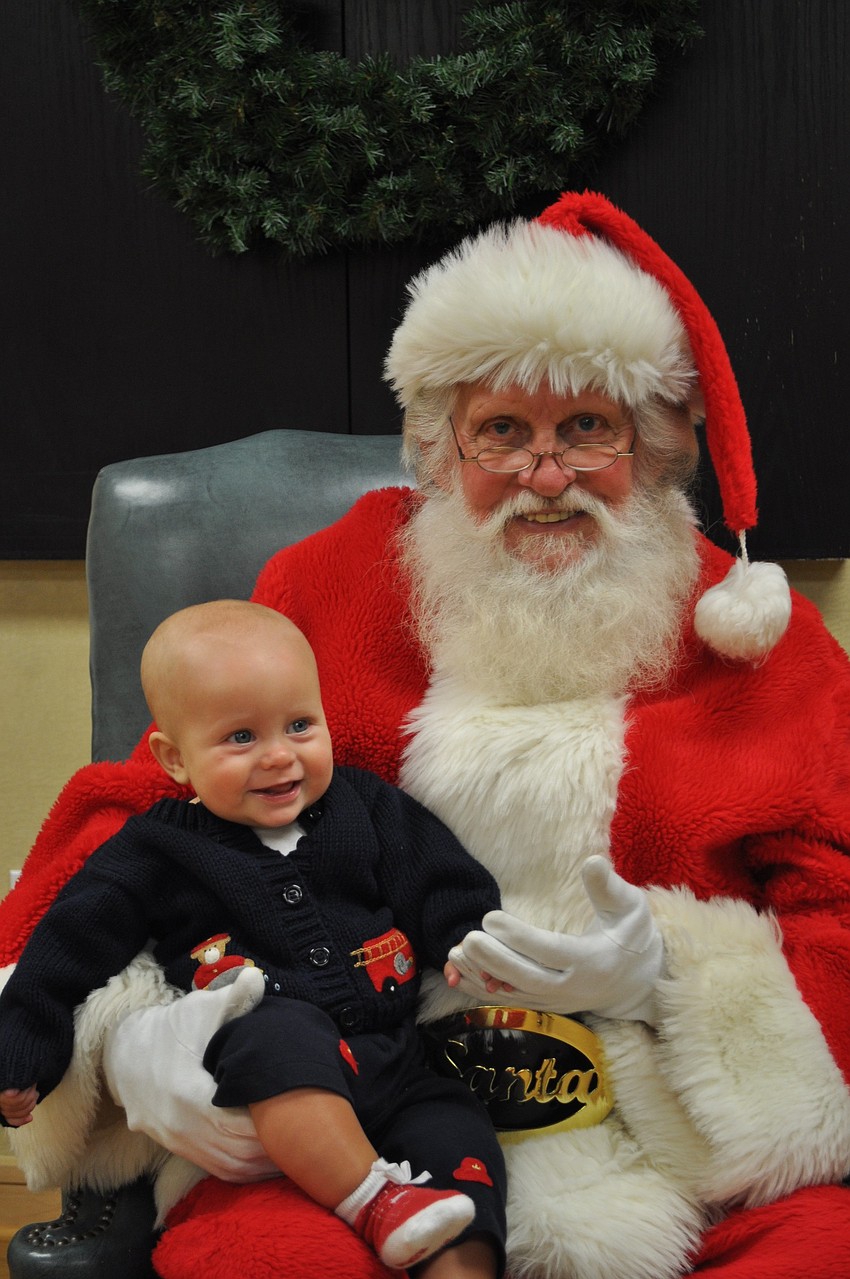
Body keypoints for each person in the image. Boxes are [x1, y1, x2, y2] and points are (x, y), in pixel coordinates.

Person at [3, 190, 850, 1279]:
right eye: (503, 430)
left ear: (651, 445)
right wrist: (127, 1037)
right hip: (345, 1100)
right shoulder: (328, 581)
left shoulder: (762, 640)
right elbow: (149, 804)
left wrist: (670, 981)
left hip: (673, 1137)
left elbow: (835, 892)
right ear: (441, 447)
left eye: (586, 427)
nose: (545, 475)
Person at [0, 600, 508, 1276]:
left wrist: (466, 937)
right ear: (175, 758)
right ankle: (373, 1200)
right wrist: (21, 1053)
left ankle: (457, 1262)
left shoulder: (366, 804)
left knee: (461, 1139)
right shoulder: (156, 848)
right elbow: (66, 946)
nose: (279, 755)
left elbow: (441, 876)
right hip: (263, 1069)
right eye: (240, 737)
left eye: (300, 724)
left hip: (395, 1062)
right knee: (277, 1029)